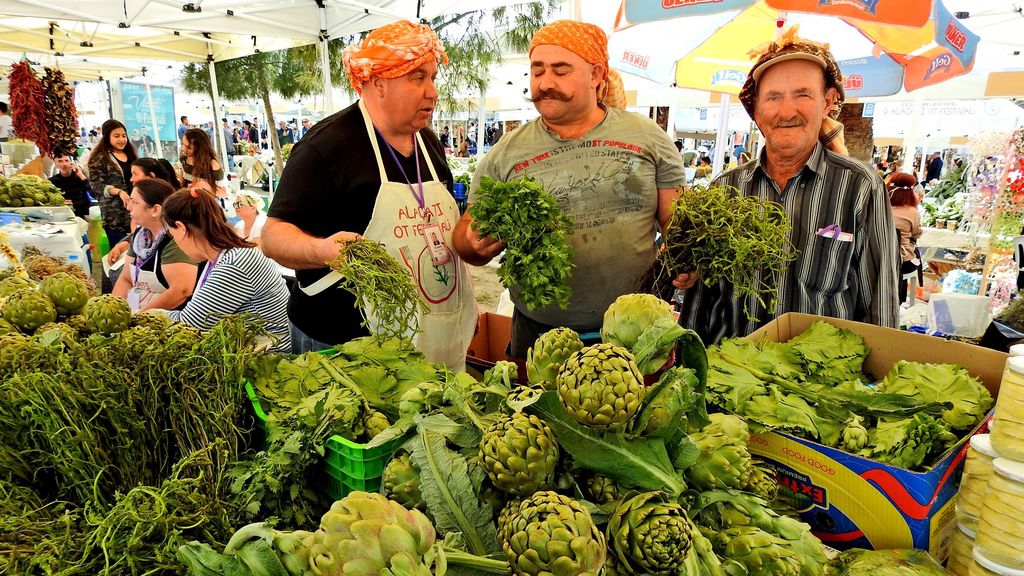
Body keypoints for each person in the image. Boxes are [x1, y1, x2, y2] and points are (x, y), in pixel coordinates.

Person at [452, 19, 687, 358]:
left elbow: (678, 224)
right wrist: (473, 244)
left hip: (637, 331)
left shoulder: (648, 137)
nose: (545, 83)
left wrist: (685, 259)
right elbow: (465, 233)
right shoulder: (507, 152)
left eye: (560, 71)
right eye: (537, 71)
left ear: (596, 75)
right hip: (538, 336)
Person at [262, 20, 476, 369]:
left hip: (431, 337)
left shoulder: (429, 144)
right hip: (345, 349)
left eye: (433, 78)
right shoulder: (327, 146)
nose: (432, 92)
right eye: (417, 78)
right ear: (377, 83)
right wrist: (322, 250)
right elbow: (273, 236)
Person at [678, 27, 899, 344]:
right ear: (757, 110)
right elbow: (699, 303)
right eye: (773, 97)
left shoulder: (860, 187)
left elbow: (881, 306)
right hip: (729, 375)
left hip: (816, 383)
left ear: (828, 102)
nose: (786, 111)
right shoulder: (724, 190)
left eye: (803, 94)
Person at [160, 188, 291, 352]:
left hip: (269, 357)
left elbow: (190, 324)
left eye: (172, 235)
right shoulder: (223, 256)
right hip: (250, 348)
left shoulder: (236, 263)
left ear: (180, 227)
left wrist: (144, 314)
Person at [112, 179, 197, 312]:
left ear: (156, 210)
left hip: (170, 319)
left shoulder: (175, 240)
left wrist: (139, 316)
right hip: (141, 313)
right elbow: (126, 278)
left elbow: (180, 291)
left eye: (134, 202)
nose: (128, 207)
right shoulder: (140, 236)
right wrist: (113, 309)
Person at [88, 119, 138, 247]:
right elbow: (97, 186)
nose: (122, 139)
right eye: (116, 136)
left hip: (136, 209)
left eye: (124, 136)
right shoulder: (99, 159)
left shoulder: (131, 155)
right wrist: (119, 192)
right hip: (115, 214)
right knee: (119, 250)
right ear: (106, 137)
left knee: (136, 247)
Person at [888, 172, 923, 306]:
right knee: (915, 254)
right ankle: (899, 299)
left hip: (877, 257)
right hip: (902, 262)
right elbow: (916, 234)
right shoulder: (912, 212)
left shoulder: (880, 208)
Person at [180, 128, 228, 208]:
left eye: (189, 147)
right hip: (188, 203)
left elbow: (223, 193)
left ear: (200, 148)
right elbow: (183, 183)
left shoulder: (213, 165)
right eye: (183, 144)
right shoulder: (184, 159)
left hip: (206, 206)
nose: (183, 149)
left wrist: (205, 186)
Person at [49, 153, 93, 219]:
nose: (65, 164)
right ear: (56, 165)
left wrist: (81, 175)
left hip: (82, 213)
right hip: (63, 214)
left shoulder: (80, 177)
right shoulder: (52, 181)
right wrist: (61, 203)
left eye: (67, 161)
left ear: (71, 162)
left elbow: (93, 194)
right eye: (60, 161)